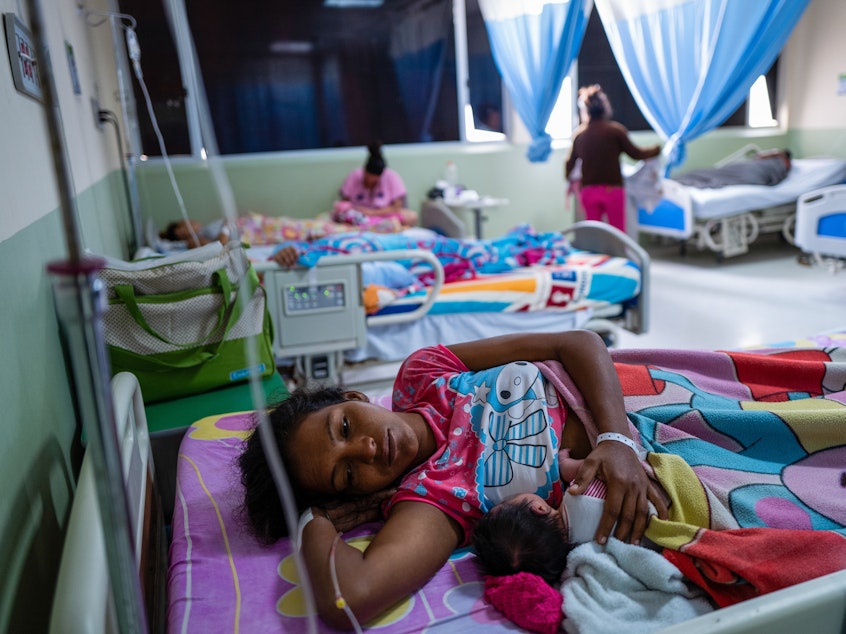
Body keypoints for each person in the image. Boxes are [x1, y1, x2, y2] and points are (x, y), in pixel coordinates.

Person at [238, 330, 664, 629]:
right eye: (348, 474)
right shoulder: (428, 501)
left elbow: (575, 343)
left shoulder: (424, 373)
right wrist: (317, 517)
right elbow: (351, 597)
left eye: (346, 427)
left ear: (353, 398)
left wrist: (615, 440)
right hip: (660, 455)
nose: (366, 450)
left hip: (631, 394)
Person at [564, 85, 661, 233]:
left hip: (589, 191)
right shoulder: (615, 131)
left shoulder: (579, 136)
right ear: (604, 107)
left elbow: (569, 164)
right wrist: (656, 150)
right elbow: (636, 154)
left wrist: (571, 182)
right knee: (617, 233)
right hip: (613, 190)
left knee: (594, 233)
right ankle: (618, 255)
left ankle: (597, 255)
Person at [334, 142, 418, 229]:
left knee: (412, 216)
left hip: (384, 215)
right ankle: (373, 226)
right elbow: (345, 203)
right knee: (341, 216)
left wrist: (373, 213)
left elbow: (397, 206)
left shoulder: (391, 176)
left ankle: (380, 226)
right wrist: (357, 210)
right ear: (365, 171)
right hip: (360, 215)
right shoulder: (355, 175)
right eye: (367, 179)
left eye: (375, 181)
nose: (370, 183)